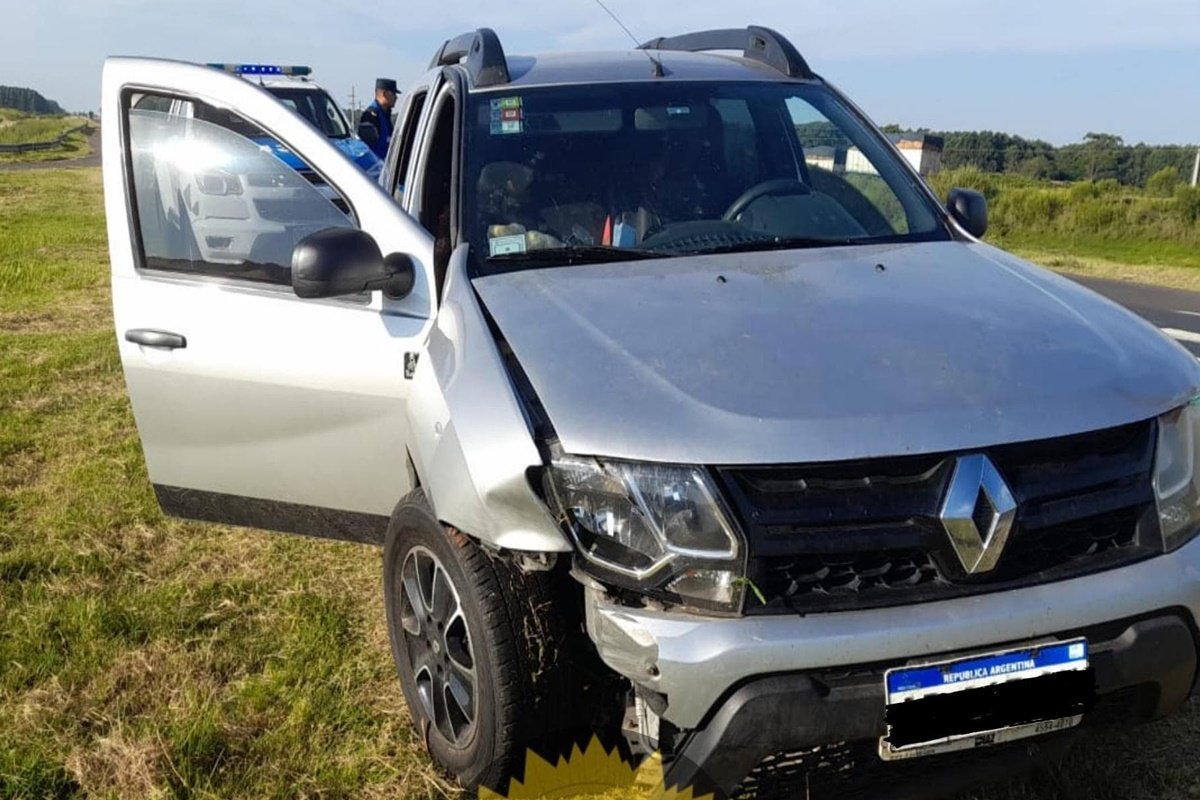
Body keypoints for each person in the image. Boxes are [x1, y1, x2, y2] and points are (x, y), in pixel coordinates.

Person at [358, 78, 397, 160]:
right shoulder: (371, 116)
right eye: (393, 94)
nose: (396, 98)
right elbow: (366, 148)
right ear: (385, 94)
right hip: (376, 167)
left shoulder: (385, 114)